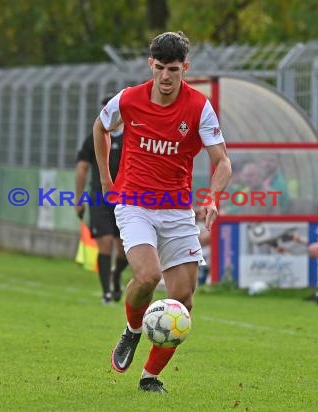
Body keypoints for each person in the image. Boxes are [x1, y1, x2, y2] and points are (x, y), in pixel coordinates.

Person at [92, 31, 231, 393]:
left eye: (174, 69)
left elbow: (222, 162)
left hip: (177, 210)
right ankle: (133, 330)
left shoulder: (199, 107)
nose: (166, 77)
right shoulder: (129, 100)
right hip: (136, 203)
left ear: (186, 67)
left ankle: (149, 377)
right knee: (149, 275)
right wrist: (107, 179)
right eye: (160, 68)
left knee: (183, 300)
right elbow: (100, 127)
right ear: (150, 65)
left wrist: (213, 197)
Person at [75, 96, 128, 304]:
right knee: (105, 243)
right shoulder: (94, 137)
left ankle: (116, 275)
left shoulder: (132, 138)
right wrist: (78, 199)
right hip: (100, 197)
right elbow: (82, 168)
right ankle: (107, 292)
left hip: (126, 198)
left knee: (124, 248)